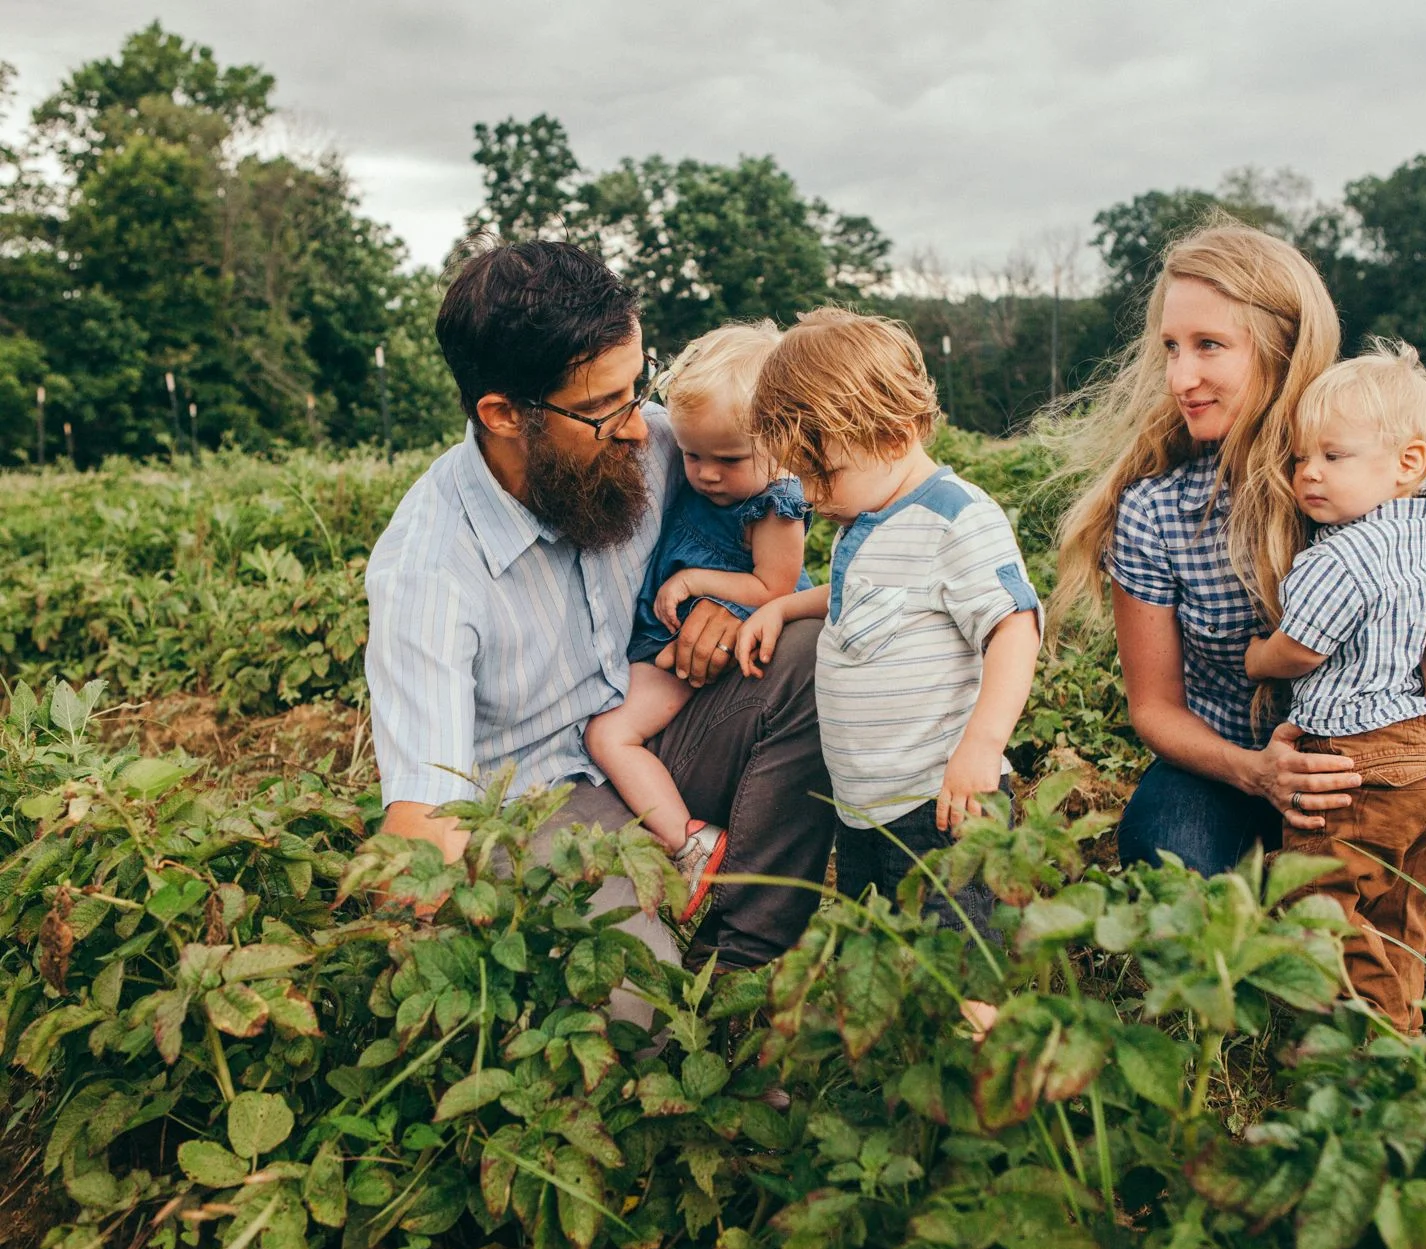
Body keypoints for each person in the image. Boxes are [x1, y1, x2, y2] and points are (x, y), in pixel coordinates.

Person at [1049, 221, 1426, 1018]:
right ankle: (1305, 918)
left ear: (1280, 346)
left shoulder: (1359, 444)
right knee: (1163, 845)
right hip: (1235, 756)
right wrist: (1259, 773)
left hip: (1379, 748)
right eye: (1171, 348)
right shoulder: (1157, 510)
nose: (1181, 376)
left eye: (1210, 345)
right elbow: (1154, 709)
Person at [364, 237, 834, 991]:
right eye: (602, 408)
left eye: (637, 388)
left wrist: (736, 610)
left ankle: (746, 967)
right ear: (503, 414)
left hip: (659, 724)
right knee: (636, 1002)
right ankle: (669, 993)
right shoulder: (428, 571)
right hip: (546, 801)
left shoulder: (661, 444)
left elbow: (776, 531)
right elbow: (427, 818)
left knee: (810, 649)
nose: (642, 428)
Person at [736, 308, 1042, 935]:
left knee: (949, 960)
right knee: (875, 953)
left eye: (826, 474)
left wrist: (980, 750)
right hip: (864, 808)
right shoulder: (870, 516)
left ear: (896, 435)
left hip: (941, 805)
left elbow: (1015, 627)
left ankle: (976, 1034)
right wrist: (785, 604)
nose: (813, 496)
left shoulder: (957, 519)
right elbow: (866, 595)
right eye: (803, 475)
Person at [1244, 342, 1426, 1034]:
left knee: (1316, 899)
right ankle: (1404, 1037)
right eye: (1299, 458)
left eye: (1332, 458)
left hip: (1359, 766)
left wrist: (1257, 657)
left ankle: (1373, 1047)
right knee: (1398, 912)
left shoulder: (1337, 556)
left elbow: (1301, 648)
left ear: (1408, 463)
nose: (1307, 475)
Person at [585, 321, 811, 919]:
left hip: (717, 635)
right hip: (671, 635)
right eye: (692, 455)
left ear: (782, 443)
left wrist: (696, 582)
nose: (707, 474)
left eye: (729, 459)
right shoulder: (708, 478)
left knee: (609, 735)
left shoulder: (775, 505)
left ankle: (689, 842)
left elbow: (776, 586)